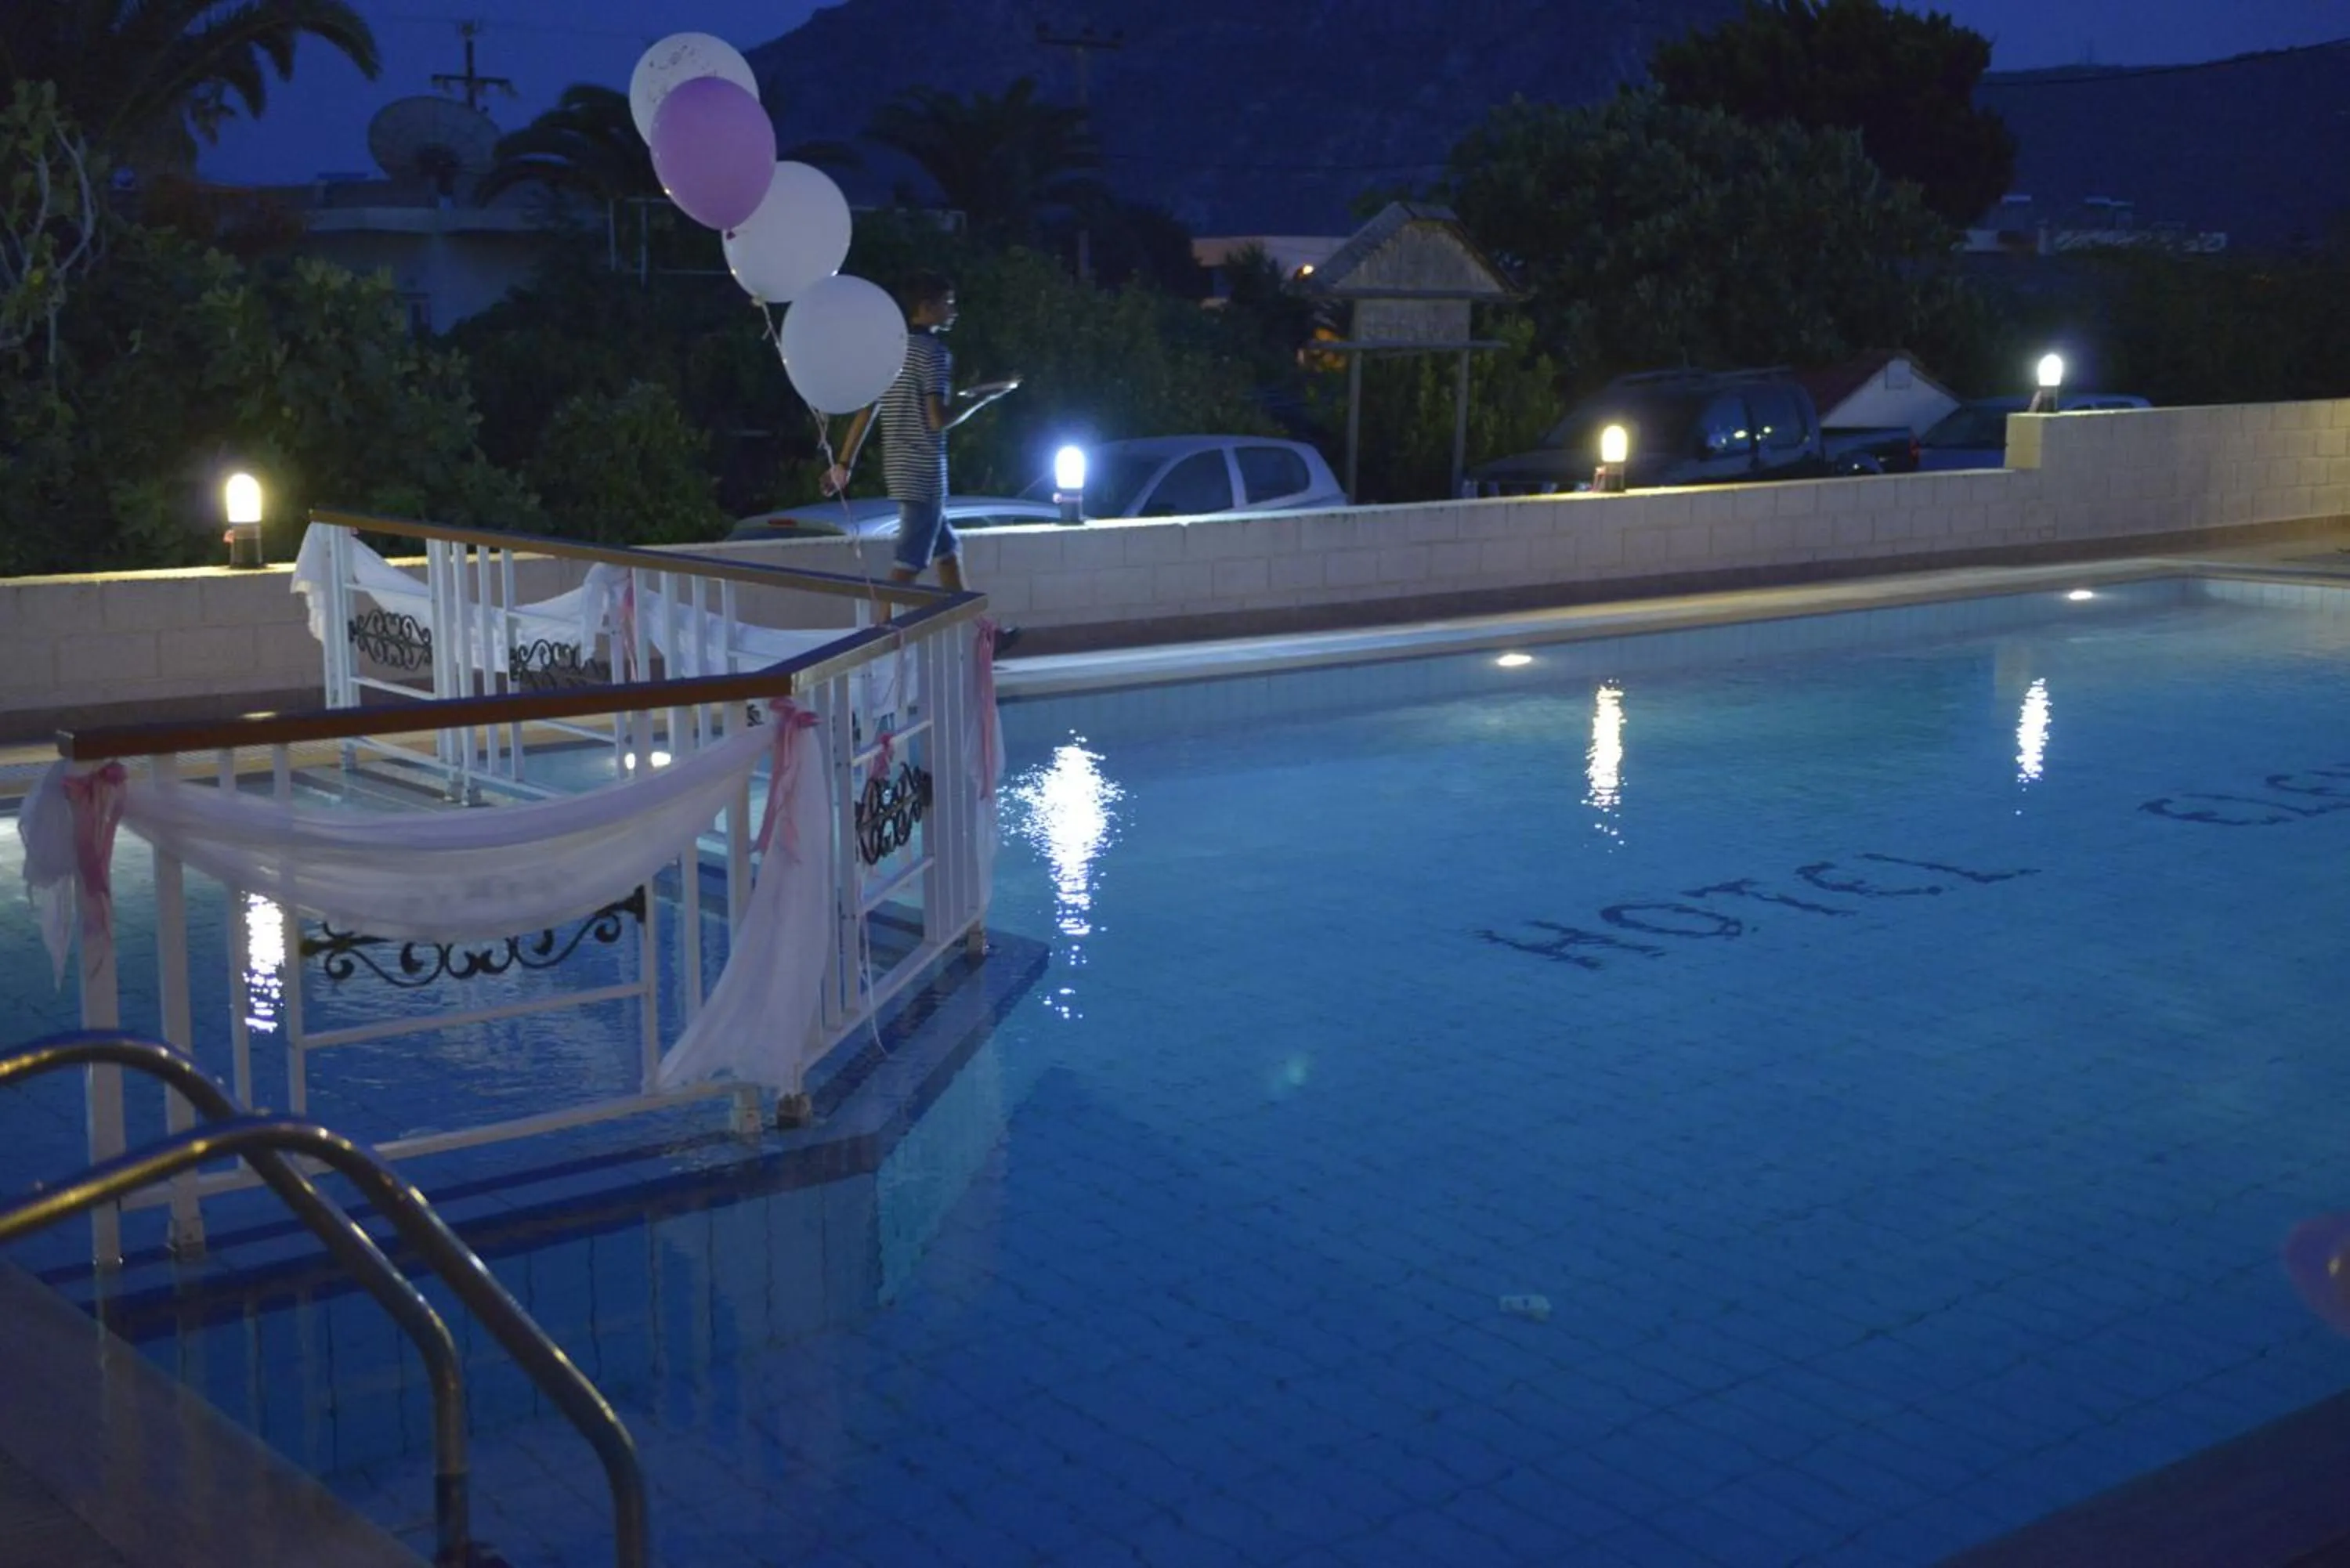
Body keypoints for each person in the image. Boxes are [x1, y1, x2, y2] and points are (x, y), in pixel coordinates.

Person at [826, 272, 1021, 645]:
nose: (954, 311)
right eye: (948, 303)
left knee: (948, 556)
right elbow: (937, 419)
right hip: (925, 471)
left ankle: (980, 636)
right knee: (908, 565)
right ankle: (877, 640)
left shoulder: (892, 349)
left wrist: (844, 463)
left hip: (898, 467)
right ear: (926, 307)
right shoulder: (934, 353)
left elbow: (867, 411)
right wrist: (984, 398)